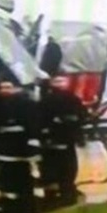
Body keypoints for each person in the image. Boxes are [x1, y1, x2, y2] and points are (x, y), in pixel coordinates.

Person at [36, 77, 87, 205]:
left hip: (65, 141)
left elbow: (81, 118)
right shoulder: (46, 101)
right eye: (56, 81)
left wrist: (79, 137)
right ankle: (54, 194)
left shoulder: (73, 99)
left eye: (62, 81)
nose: (59, 84)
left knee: (66, 169)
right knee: (53, 169)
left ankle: (64, 192)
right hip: (52, 142)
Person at [0, 80, 41, 212]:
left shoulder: (26, 104)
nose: (4, 90)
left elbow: (32, 126)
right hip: (6, 149)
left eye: (8, 87)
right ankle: (11, 201)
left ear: (17, 88)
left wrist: (31, 145)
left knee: (22, 174)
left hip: (20, 148)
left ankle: (24, 201)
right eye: (2, 87)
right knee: (7, 175)